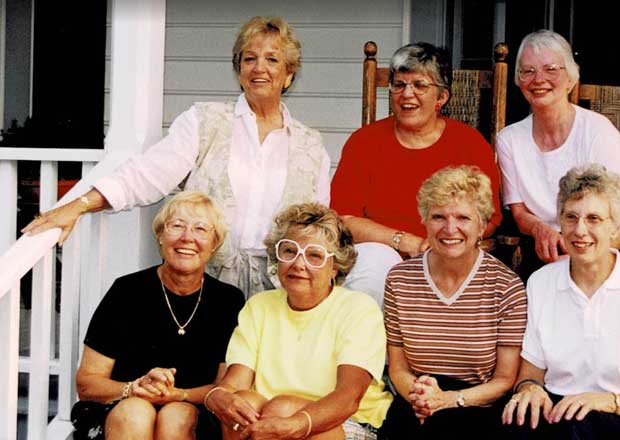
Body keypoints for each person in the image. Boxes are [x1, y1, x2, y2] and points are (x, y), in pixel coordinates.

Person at [22, 16, 330, 298]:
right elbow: (147, 175)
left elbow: (318, 230)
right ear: (239, 70)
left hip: (280, 294)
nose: (258, 68)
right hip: (205, 285)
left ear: (288, 74)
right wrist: (79, 205)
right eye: (249, 58)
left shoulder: (310, 145)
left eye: (272, 59)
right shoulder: (204, 122)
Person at [501, 164, 620, 439]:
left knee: (579, 427)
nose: (580, 230)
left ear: (615, 227)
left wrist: (607, 401)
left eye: (594, 219)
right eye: (571, 217)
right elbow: (531, 373)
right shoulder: (541, 283)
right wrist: (530, 389)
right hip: (559, 413)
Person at [331, 42, 503, 306]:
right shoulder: (364, 142)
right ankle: (369, 346)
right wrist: (403, 241)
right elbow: (344, 217)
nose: (407, 94)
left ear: (442, 97)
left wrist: (447, 242)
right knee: (375, 267)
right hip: (382, 254)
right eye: (399, 85)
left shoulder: (468, 144)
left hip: (450, 249)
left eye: (420, 85)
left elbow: (489, 217)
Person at [496, 29, 620, 282]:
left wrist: (581, 258)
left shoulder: (597, 131)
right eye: (528, 71)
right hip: (555, 243)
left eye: (551, 69)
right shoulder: (509, 139)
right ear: (518, 80)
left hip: (617, 240)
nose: (539, 79)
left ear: (570, 78)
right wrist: (540, 230)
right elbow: (520, 213)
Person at [203, 203, 392, 440]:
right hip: (271, 418)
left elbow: (348, 398)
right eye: (289, 251)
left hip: (347, 422)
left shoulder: (358, 309)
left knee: (282, 407)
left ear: (335, 267)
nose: (299, 264)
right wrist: (219, 397)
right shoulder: (259, 306)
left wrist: (296, 424)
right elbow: (234, 383)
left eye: (314, 255)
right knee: (244, 404)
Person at [71, 191, 245, 439]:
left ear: (214, 243)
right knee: (136, 411)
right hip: (121, 407)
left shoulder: (228, 300)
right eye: (177, 226)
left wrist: (179, 395)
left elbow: (224, 387)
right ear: (160, 236)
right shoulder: (126, 291)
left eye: (200, 229)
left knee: (176, 415)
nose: (187, 238)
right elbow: (87, 383)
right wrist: (134, 388)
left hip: (191, 411)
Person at [380, 166, 527, 439]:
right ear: (424, 219)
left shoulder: (506, 287)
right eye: (438, 216)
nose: (450, 228)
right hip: (416, 401)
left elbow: (505, 380)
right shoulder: (399, 279)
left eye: (463, 218)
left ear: (482, 225)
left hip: (475, 407)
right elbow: (398, 366)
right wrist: (422, 397)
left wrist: (448, 400)